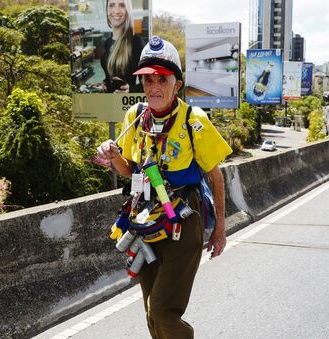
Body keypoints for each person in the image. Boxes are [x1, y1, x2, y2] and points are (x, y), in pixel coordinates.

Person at [97, 36, 232, 338]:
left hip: (183, 220)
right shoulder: (135, 117)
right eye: (147, 80)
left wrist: (220, 228)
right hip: (145, 220)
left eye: (162, 79)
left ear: (177, 84)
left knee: (163, 310)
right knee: (150, 312)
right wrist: (114, 157)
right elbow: (129, 169)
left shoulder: (192, 119)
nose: (153, 87)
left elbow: (215, 176)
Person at [100, 0, 145, 93]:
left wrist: (131, 90)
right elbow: (110, 77)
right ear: (107, 11)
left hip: (125, 105)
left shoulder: (136, 43)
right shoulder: (107, 43)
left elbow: (148, 83)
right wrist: (104, 84)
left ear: (128, 10)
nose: (116, 11)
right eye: (111, 5)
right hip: (108, 103)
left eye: (122, 5)